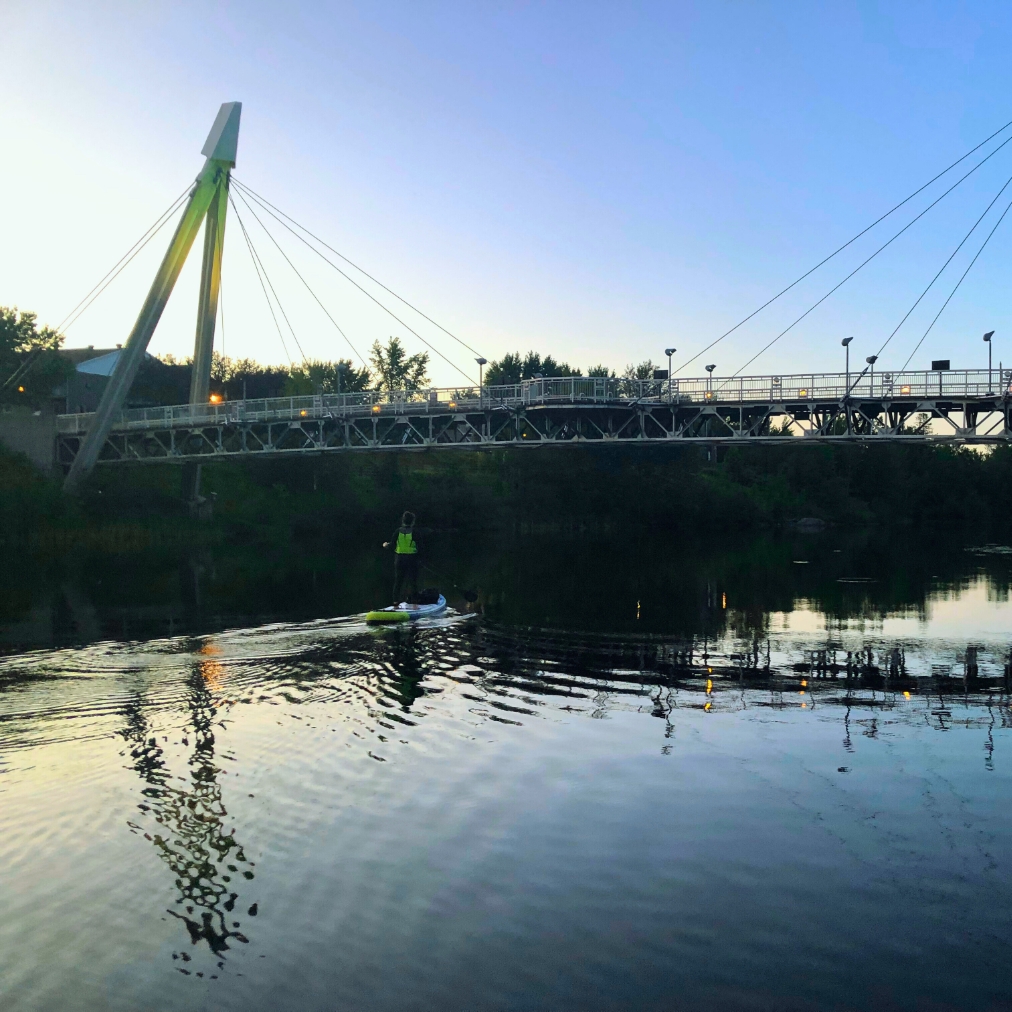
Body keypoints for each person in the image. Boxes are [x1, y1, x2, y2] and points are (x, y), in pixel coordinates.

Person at [383, 511, 420, 605]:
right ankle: (414, 602)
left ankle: (395, 602)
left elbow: (391, 545)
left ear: (403, 521)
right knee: (413, 581)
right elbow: (421, 547)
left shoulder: (397, 531)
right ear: (413, 521)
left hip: (399, 559)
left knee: (398, 581)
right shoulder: (415, 532)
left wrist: (385, 545)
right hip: (412, 559)